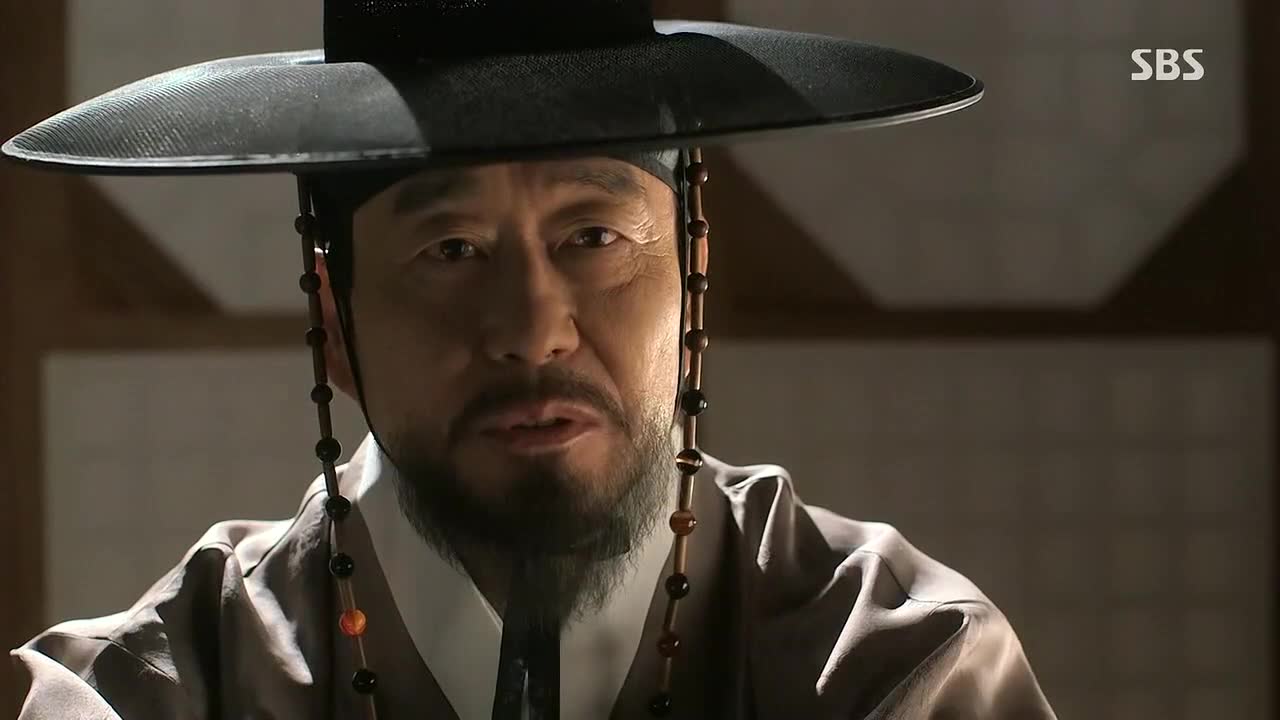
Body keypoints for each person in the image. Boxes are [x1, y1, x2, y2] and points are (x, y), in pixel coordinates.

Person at [5, 2, 1056, 718]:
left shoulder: (887, 664)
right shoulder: (154, 691)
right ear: (335, 316)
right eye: (450, 250)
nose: (532, 328)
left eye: (592, 237)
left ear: (691, 270)